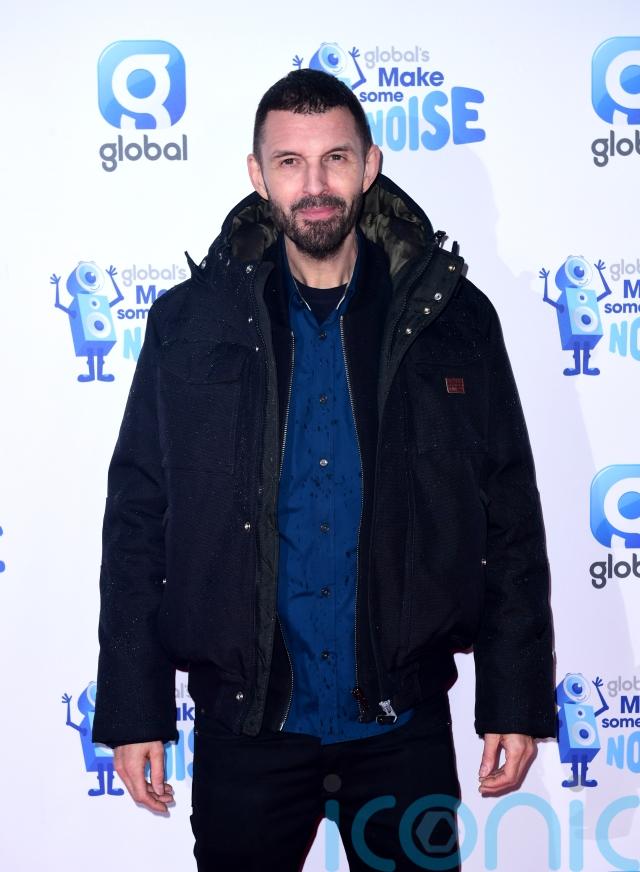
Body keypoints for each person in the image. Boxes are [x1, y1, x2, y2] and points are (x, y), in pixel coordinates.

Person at [93, 68, 556, 871]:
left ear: (369, 165)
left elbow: (509, 515)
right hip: (247, 731)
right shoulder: (188, 326)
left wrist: (513, 697)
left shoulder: (452, 319)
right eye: (290, 162)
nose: (314, 185)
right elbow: (139, 518)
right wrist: (136, 708)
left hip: (401, 727)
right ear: (258, 174)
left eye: (335, 158)